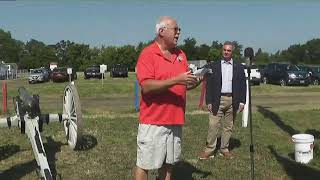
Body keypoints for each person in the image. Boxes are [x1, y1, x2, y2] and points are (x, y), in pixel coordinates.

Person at [134, 16, 200, 180]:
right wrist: (177, 79)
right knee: (145, 164)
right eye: (175, 29)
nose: (178, 33)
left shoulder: (181, 54)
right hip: (153, 121)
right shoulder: (148, 54)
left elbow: (184, 84)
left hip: (175, 120)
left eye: (179, 30)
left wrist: (198, 80)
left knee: (168, 164)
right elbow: (147, 87)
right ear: (161, 31)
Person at [198, 41, 246, 160]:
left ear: (232, 52)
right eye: (224, 50)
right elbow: (209, 84)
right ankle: (209, 150)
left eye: (228, 50)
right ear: (222, 50)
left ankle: (224, 149)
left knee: (228, 126)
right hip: (217, 99)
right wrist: (208, 101)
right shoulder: (214, 66)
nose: (226, 52)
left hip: (232, 99)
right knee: (213, 125)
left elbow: (242, 85)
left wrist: (242, 101)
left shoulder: (239, 67)